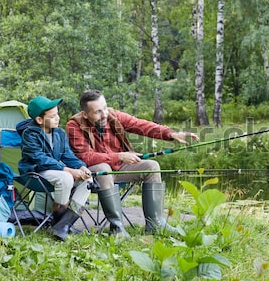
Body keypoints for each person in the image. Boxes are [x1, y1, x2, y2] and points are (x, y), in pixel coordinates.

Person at [66, 89, 199, 237]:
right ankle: (117, 228)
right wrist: (119, 156)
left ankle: (155, 224)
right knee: (104, 168)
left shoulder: (113, 116)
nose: (104, 114)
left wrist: (171, 133)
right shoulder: (74, 125)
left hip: (118, 168)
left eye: (104, 108)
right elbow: (87, 157)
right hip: (93, 174)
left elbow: (141, 125)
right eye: (97, 112)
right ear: (85, 114)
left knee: (152, 166)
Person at [18, 96, 93, 241]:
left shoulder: (59, 133)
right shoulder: (29, 133)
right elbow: (40, 159)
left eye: (57, 114)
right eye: (52, 116)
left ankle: (63, 225)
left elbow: (68, 155)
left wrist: (81, 167)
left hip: (55, 172)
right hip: (35, 172)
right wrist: (69, 170)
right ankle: (58, 222)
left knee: (88, 180)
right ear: (39, 120)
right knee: (66, 177)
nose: (57, 118)